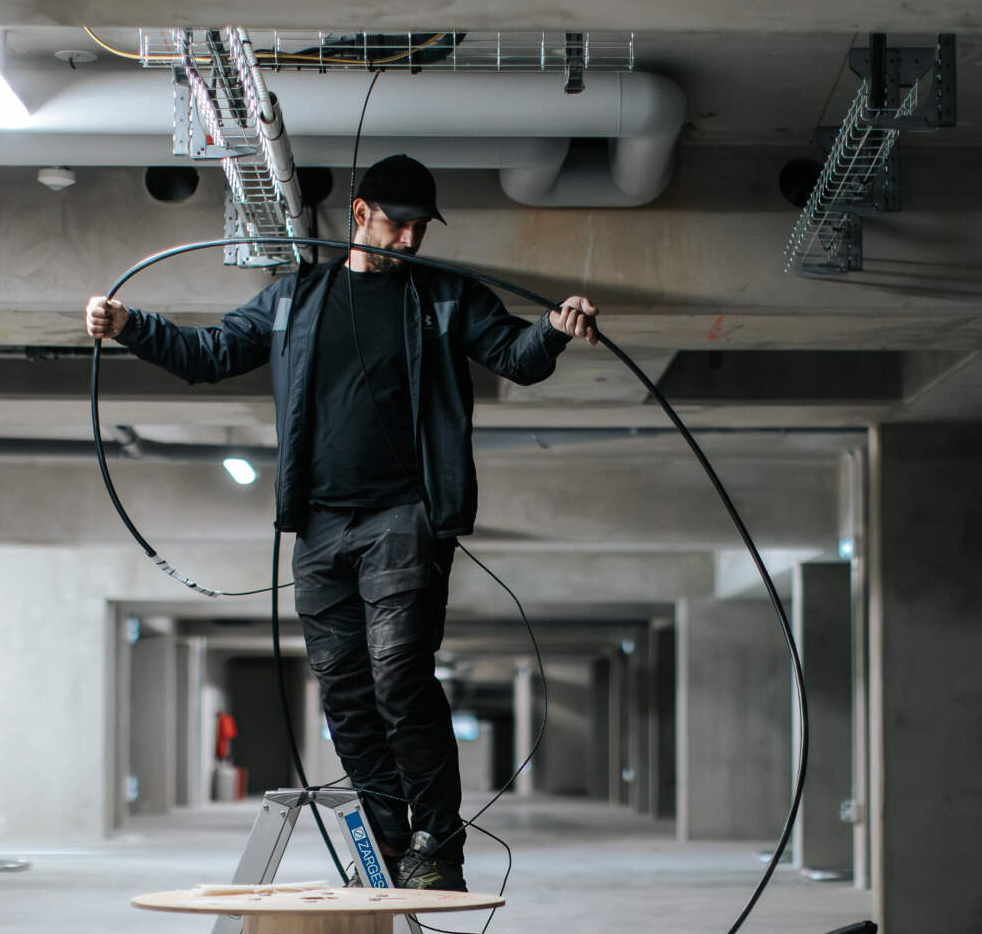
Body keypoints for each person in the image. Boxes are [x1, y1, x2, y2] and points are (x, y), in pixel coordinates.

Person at [86, 155, 598, 890]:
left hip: (406, 517)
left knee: (398, 678)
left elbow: (516, 357)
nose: (413, 238)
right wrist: (130, 324)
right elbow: (209, 354)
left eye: (422, 227)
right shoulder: (294, 300)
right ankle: (389, 845)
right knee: (345, 693)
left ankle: (438, 843)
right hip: (320, 525)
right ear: (360, 215)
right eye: (399, 223)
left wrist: (552, 325)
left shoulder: (448, 298)